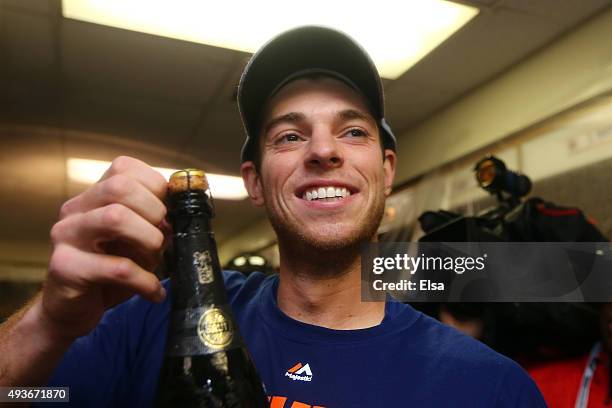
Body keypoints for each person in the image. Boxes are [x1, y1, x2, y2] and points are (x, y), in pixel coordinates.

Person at [0, 26, 545, 407]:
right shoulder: (151, 321)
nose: (323, 150)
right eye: (289, 134)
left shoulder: (488, 386)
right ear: (255, 182)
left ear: (385, 170)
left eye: (352, 131)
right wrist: (47, 324)